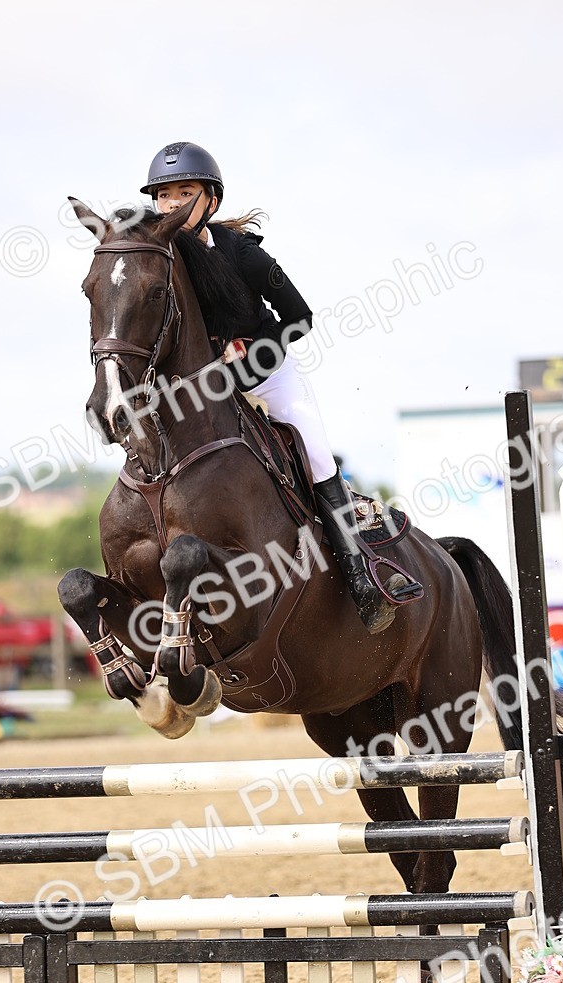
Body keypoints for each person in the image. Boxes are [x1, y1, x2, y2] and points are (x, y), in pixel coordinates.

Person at [141, 141, 395, 633]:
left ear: (210, 200)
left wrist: (252, 349)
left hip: (267, 378)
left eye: (185, 193)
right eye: (164, 196)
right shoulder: (160, 260)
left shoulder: (245, 256)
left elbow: (300, 319)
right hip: (202, 392)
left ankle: (359, 574)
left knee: (318, 455)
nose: (172, 205)